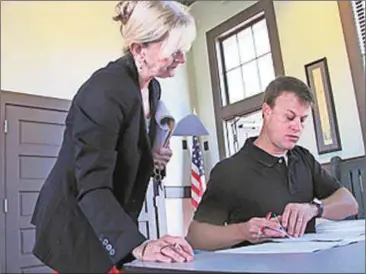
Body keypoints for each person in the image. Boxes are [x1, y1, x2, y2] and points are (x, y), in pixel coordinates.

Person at [31, 1, 197, 272]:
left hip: (110, 216)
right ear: (138, 49)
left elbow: (126, 149)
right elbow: (93, 185)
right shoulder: (104, 91)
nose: (182, 59)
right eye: (174, 51)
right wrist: (140, 245)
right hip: (76, 223)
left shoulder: (152, 89)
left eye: (184, 50)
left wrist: (151, 157)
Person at [186, 76, 359, 251]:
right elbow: (196, 237)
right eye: (289, 117)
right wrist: (243, 231)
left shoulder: (303, 157)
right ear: (267, 112)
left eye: (302, 120)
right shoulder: (229, 171)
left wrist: (314, 209)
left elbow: (350, 204)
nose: (297, 127)